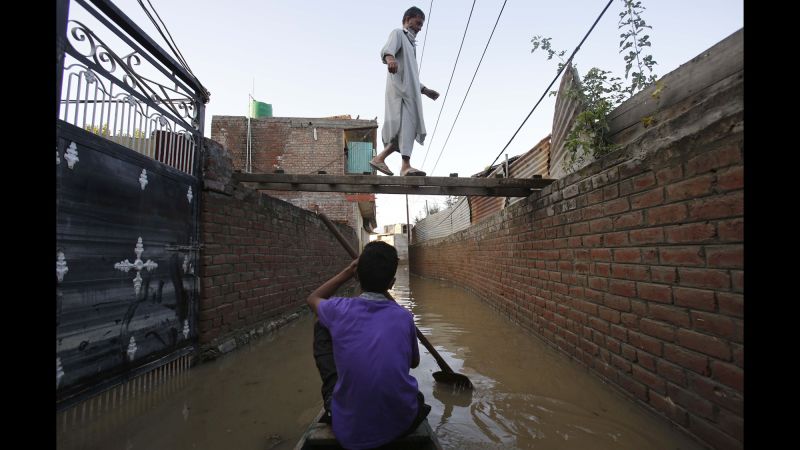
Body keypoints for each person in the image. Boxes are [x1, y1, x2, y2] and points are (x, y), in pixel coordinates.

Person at [307, 241, 431, 450]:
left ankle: (336, 393)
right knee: (417, 397)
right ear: (391, 283)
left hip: (349, 431)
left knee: (322, 325)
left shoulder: (338, 310)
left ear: (357, 276)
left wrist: (347, 271)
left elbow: (313, 298)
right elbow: (414, 363)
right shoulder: (404, 317)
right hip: (402, 423)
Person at [369, 6, 440, 177]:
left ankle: (385, 160)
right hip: (400, 93)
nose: (419, 28)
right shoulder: (398, 34)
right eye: (418, 23)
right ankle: (403, 165)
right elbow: (387, 49)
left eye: (422, 25)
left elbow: (411, 75)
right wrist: (390, 58)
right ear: (408, 19)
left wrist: (425, 90)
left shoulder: (411, 45)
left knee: (405, 130)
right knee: (405, 125)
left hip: (410, 93)